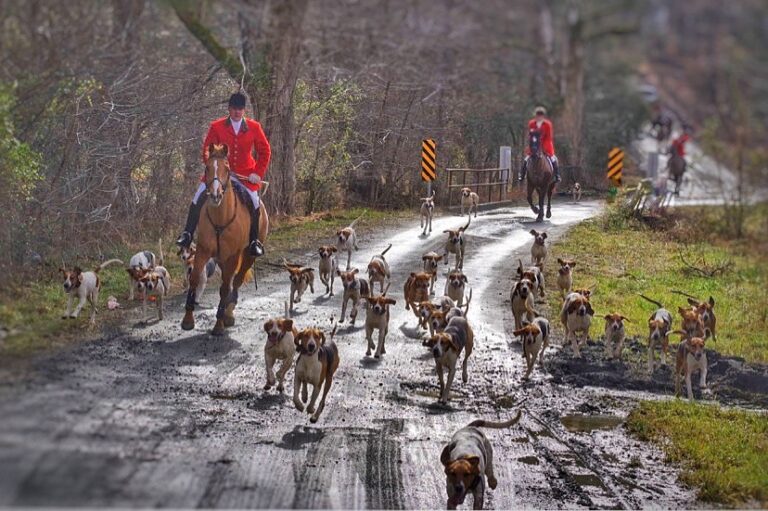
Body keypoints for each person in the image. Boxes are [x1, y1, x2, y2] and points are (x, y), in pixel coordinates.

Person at [176, 92, 271, 257]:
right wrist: (213, 163)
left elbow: (265, 151)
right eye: (234, 109)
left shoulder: (254, 127)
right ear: (229, 108)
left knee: (255, 203)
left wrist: (257, 172)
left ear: (244, 110)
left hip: (245, 176)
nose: (237, 112)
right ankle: (187, 234)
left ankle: (254, 241)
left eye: (240, 109)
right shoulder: (217, 126)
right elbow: (206, 150)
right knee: (197, 197)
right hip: (217, 175)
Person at [519, 106, 560, 183]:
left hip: (546, 145)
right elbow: (531, 136)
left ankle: (557, 175)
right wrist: (533, 146)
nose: (539, 117)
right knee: (526, 159)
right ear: (536, 115)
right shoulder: (531, 123)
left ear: (543, 116)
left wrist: (543, 147)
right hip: (534, 145)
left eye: (540, 115)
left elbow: (548, 137)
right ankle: (522, 175)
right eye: (538, 115)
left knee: (553, 159)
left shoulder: (547, 124)